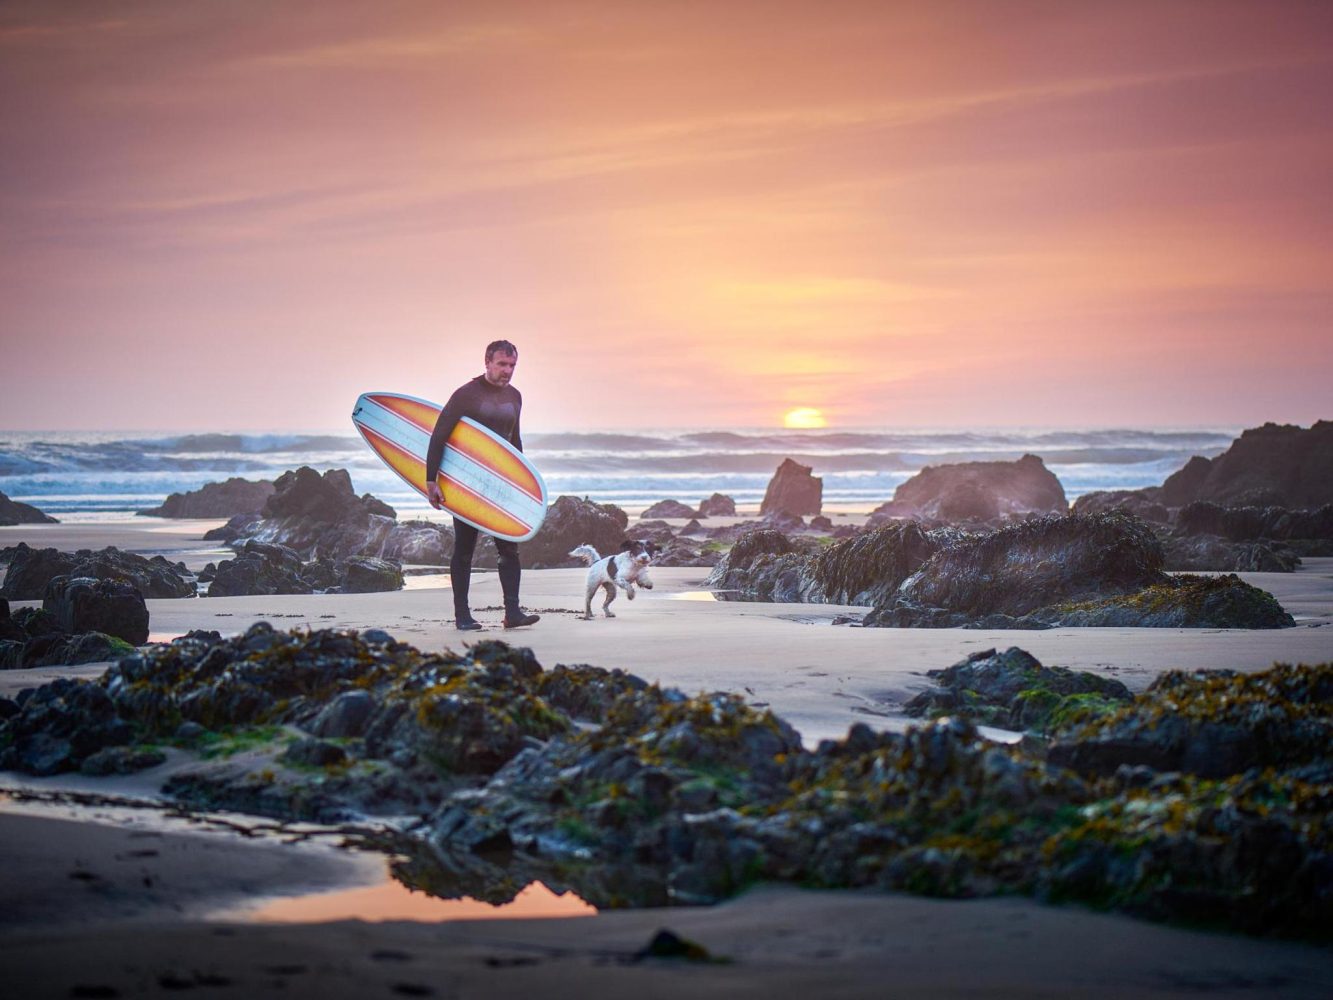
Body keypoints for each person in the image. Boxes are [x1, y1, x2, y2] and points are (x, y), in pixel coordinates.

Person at [425, 340, 540, 631]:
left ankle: (512, 613)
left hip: (500, 484)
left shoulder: (515, 396)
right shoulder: (466, 395)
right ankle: (462, 615)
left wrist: (522, 482)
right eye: (502, 364)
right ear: (487, 362)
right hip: (466, 483)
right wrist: (431, 480)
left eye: (512, 365)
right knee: (465, 548)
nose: (508, 371)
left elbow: (514, 442)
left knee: (509, 548)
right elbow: (439, 436)